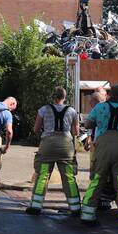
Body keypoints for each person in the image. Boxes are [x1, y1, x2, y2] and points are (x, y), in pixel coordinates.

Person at [81, 84, 118, 228]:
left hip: (102, 148)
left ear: (109, 95)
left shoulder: (99, 108)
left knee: (97, 180)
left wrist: (99, 124)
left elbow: (88, 124)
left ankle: (87, 215)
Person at [26, 86, 81, 216]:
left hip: (48, 145)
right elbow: (76, 132)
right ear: (65, 97)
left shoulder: (44, 109)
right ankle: (75, 208)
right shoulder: (72, 111)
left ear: (53, 97)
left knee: (43, 175)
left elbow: (36, 129)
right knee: (68, 177)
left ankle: (36, 206)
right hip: (66, 146)